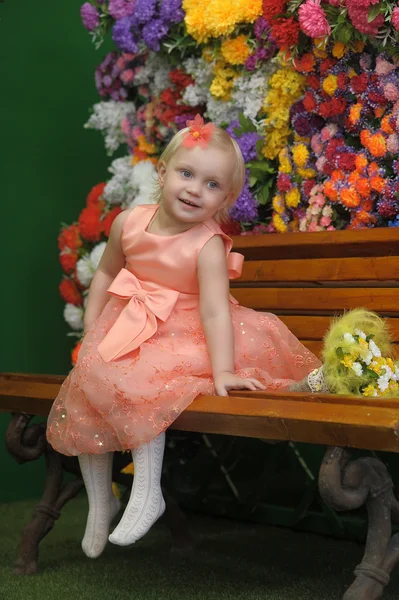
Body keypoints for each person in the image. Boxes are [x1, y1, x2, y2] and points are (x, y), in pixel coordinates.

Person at [47, 114, 321, 559]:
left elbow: (215, 311)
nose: (195, 189)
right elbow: (105, 275)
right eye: (187, 174)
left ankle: (147, 490)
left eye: (212, 185)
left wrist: (224, 370)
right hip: (134, 324)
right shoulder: (129, 224)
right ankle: (101, 503)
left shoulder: (207, 245)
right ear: (163, 172)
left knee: (145, 383)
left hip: (187, 331)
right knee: (89, 383)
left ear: (226, 199)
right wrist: (94, 332)